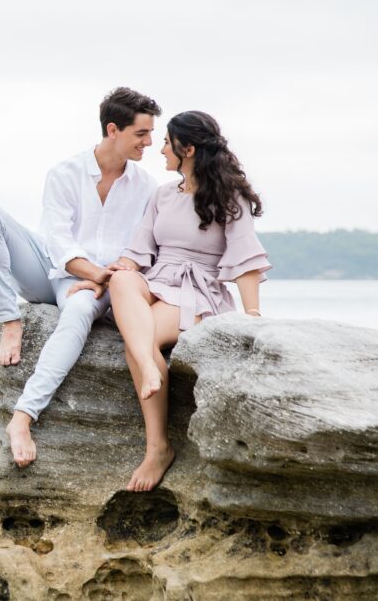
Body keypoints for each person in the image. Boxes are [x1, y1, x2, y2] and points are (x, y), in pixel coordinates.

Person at [0, 87, 160, 467]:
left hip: (105, 284)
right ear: (113, 130)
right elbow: (58, 241)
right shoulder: (65, 173)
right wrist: (94, 273)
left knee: (78, 309)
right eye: (141, 133)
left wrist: (104, 281)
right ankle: (10, 319)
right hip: (59, 269)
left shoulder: (146, 186)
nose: (150, 143)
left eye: (151, 134)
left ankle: (22, 418)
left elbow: (142, 249)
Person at [99, 110, 270, 492]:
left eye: (166, 143)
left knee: (137, 338)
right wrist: (100, 280)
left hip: (199, 291)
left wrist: (253, 314)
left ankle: (158, 448)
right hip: (157, 281)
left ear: (187, 148)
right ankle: (148, 362)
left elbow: (244, 259)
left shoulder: (230, 197)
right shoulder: (162, 195)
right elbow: (138, 251)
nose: (159, 149)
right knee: (123, 279)